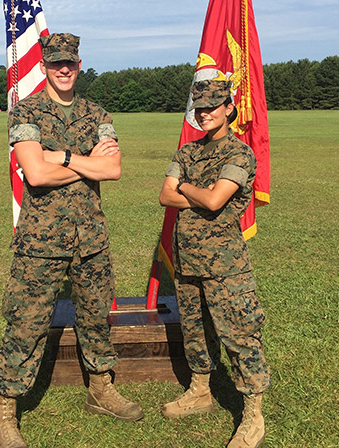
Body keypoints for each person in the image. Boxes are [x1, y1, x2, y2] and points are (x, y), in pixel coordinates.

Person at [0, 33, 143, 448]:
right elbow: (35, 175)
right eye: (56, 63)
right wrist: (87, 162)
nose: (63, 69)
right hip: (41, 240)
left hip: (90, 236)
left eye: (70, 63)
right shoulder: (26, 112)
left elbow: (112, 171)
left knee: (96, 316)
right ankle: (6, 410)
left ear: (79, 65)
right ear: (43, 66)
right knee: (26, 322)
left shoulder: (98, 113)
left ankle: (100, 388)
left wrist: (59, 156)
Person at [159, 79, 270, 448]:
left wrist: (186, 188)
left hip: (225, 264)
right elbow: (164, 195)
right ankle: (201, 390)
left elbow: (213, 201)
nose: (205, 113)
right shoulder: (187, 152)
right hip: (188, 259)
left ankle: (252, 414)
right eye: (200, 107)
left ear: (228, 108)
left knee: (239, 335)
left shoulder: (239, 154)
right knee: (195, 331)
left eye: (212, 106)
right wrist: (196, 191)